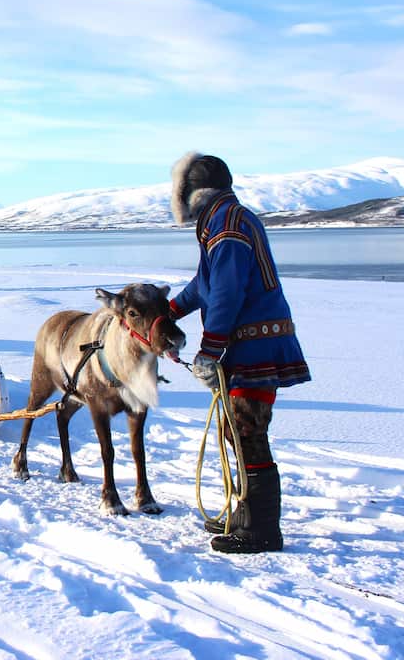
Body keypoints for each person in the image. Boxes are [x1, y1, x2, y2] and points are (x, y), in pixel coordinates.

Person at [168, 152, 311, 554]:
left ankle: (262, 529)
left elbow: (227, 292)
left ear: (191, 193)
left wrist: (210, 350)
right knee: (236, 429)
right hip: (251, 343)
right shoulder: (225, 219)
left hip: (253, 347)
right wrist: (170, 311)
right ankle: (246, 515)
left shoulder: (226, 226)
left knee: (247, 431)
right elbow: (205, 283)